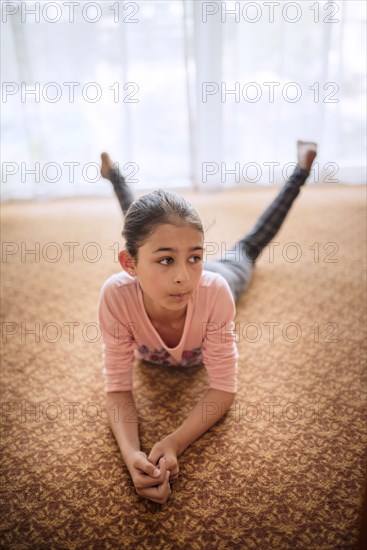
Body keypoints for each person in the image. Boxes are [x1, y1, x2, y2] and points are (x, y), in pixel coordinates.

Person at [98, 140, 317, 505]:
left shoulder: (213, 289)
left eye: (194, 256)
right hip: (153, 262)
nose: (184, 276)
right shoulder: (116, 295)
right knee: (139, 226)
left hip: (225, 276)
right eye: (166, 261)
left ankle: (301, 170)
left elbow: (224, 388)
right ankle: (114, 175)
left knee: (253, 243)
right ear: (128, 265)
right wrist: (130, 454)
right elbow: (117, 385)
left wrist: (173, 442)